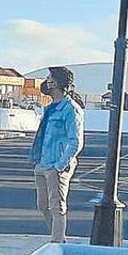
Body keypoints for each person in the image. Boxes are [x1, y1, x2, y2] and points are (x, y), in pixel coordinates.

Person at [28, 66, 84, 243]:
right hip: (42, 162)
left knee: (57, 206)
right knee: (43, 206)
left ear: (57, 82)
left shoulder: (70, 109)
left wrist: (60, 165)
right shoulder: (50, 108)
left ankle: (57, 243)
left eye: (49, 77)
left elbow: (75, 141)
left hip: (56, 165)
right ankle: (58, 238)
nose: (46, 81)